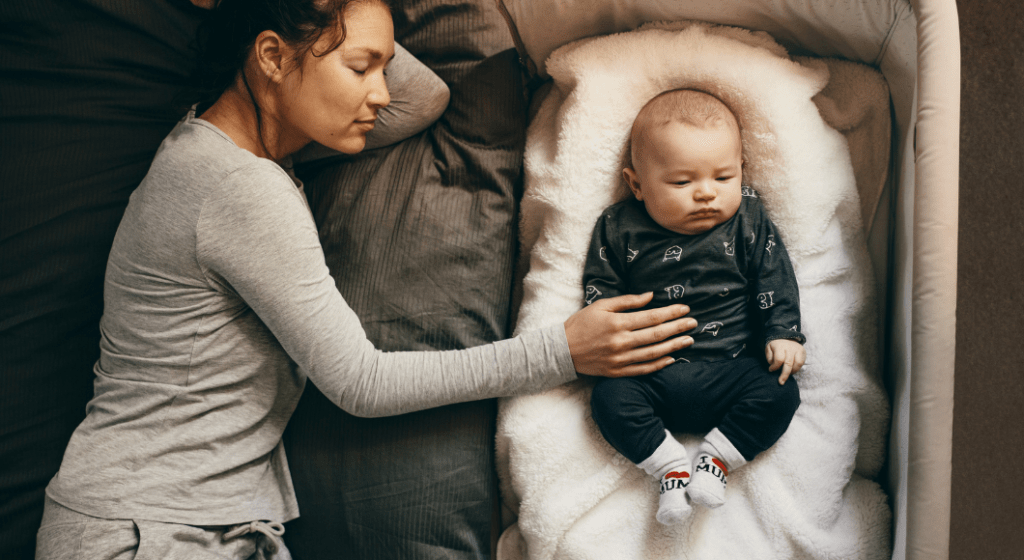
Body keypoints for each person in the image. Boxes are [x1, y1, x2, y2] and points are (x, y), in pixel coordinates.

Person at [33, 1, 697, 558]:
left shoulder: (228, 148)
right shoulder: (237, 187)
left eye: (381, 65)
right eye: (359, 68)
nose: (380, 91)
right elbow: (362, 382)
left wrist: (352, 35)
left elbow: (423, 98)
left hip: (185, 521)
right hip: (146, 529)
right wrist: (560, 351)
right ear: (269, 57)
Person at [585, 89, 806, 525]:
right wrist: (607, 344)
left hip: (733, 368)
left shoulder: (749, 217)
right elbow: (601, 288)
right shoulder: (618, 226)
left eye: (723, 178)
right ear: (637, 185)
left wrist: (783, 332)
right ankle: (668, 465)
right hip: (650, 370)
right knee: (608, 400)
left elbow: (774, 275)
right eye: (682, 183)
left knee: (781, 391)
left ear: (741, 171)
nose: (706, 194)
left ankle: (716, 460)